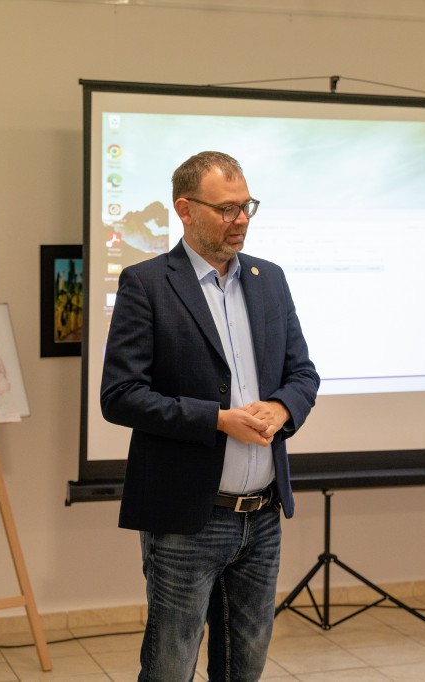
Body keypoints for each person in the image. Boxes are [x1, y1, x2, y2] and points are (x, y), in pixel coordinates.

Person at [101, 151, 320, 682]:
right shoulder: (147, 284)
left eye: (247, 206)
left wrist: (282, 406)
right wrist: (217, 420)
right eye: (226, 209)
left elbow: (303, 374)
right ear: (185, 209)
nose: (241, 219)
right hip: (186, 519)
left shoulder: (270, 280)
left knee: (244, 667)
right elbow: (121, 395)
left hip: (262, 515)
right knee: (170, 667)